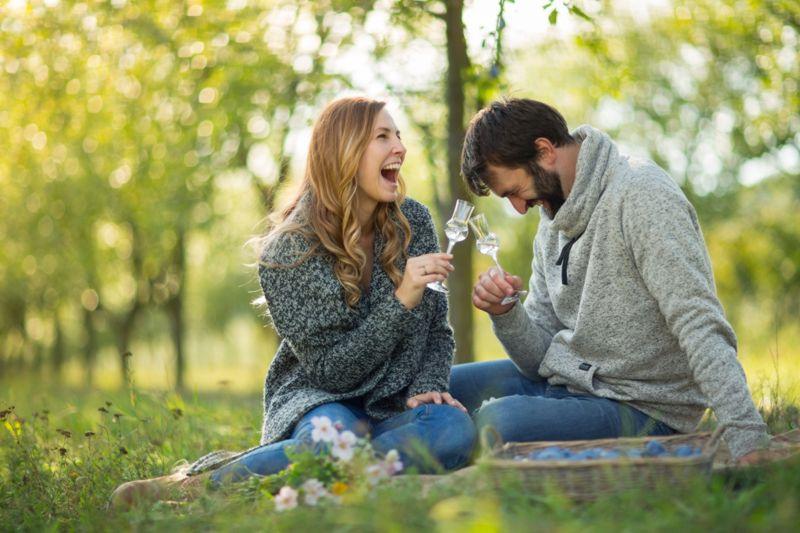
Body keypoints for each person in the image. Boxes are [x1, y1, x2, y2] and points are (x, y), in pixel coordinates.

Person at [111, 97, 475, 508]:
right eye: (382, 136)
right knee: (329, 443)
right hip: (322, 399)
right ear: (344, 152)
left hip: (394, 403)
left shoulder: (414, 223)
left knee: (454, 430)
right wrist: (400, 300)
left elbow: (437, 331)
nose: (400, 148)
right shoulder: (289, 251)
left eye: (399, 135)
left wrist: (428, 385)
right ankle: (202, 486)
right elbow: (333, 373)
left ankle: (312, 471)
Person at [449, 98, 770, 462]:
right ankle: (384, 450)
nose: (519, 209)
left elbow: (697, 320)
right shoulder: (552, 221)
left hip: (643, 406)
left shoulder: (641, 194)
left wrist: (746, 434)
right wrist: (505, 313)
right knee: (443, 385)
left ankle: (439, 453)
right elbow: (538, 359)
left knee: (497, 422)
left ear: (544, 151)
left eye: (514, 192)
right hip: (573, 383)